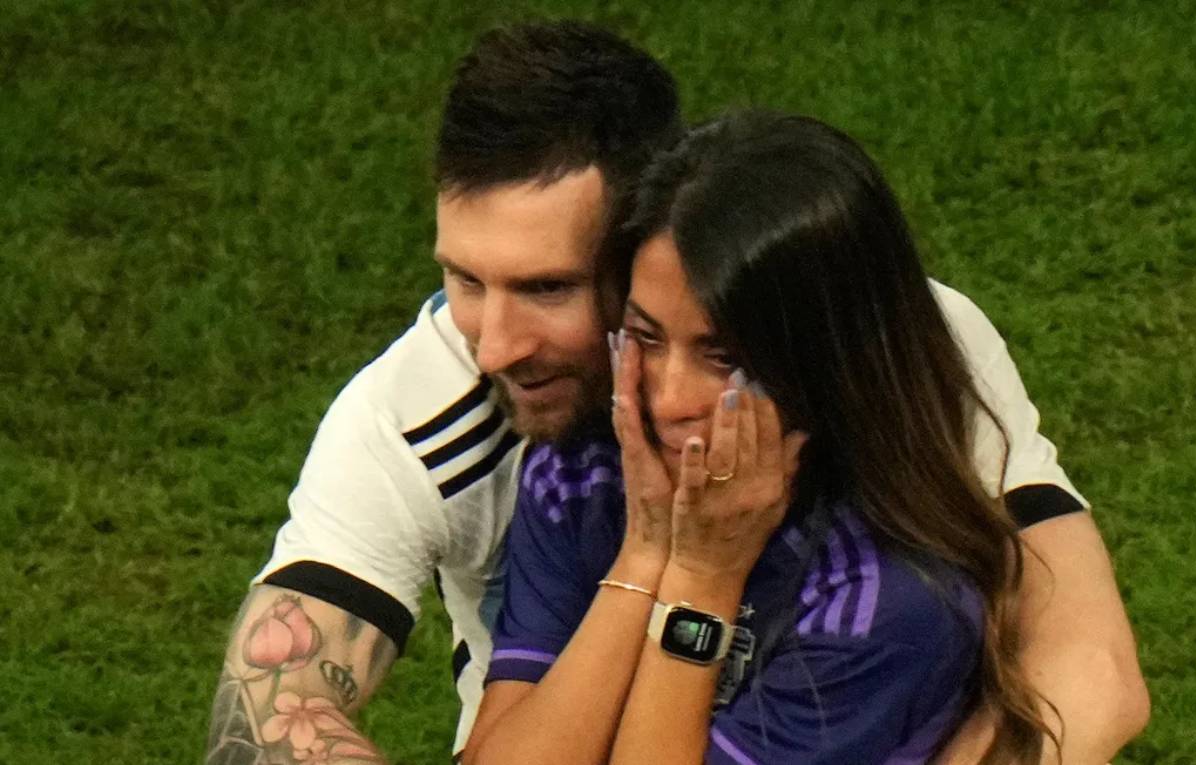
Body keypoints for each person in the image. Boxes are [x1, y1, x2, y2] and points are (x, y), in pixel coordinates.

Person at [205, 20, 1146, 765]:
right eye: (463, 279)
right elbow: (266, 720)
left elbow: (1088, 667)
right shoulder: (431, 432)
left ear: (649, 247)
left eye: (548, 288)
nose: (491, 345)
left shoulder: (890, 347)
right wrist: (666, 560)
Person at [462, 111, 1119, 765]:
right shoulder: (584, 478)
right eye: (646, 337)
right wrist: (643, 552)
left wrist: (700, 576)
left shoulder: (885, 603)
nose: (667, 399)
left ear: (825, 360)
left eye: (721, 356)